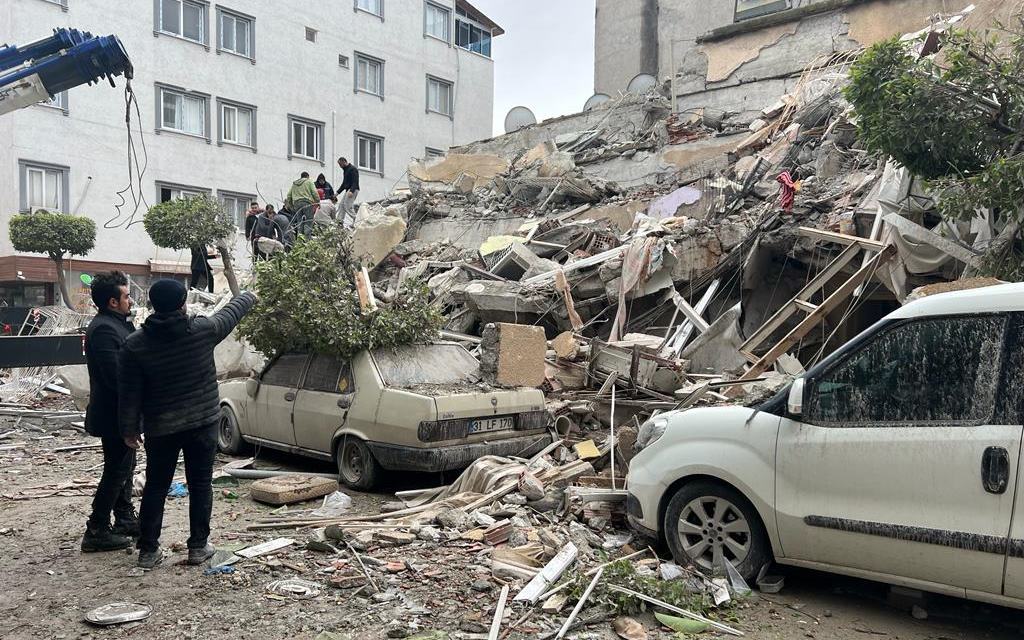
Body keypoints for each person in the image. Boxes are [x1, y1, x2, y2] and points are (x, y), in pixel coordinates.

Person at [118, 280, 256, 569]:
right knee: (200, 484)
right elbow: (229, 314)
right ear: (182, 304)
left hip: (161, 427)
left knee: (156, 486)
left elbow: (130, 392)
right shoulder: (202, 331)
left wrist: (129, 428)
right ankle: (197, 547)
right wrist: (249, 296)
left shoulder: (135, 344)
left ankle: (148, 551)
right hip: (202, 423)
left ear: (154, 305)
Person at [82, 271, 138, 553]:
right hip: (114, 415)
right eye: (126, 296)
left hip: (122, 413)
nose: (130, 300)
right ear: (113, 301)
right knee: (116, 471)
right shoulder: (104, 329)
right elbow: (117, 378)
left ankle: (125, 517)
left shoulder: (117, 324)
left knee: (126, 467)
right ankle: (97, 528)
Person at [285, 171, 320, 236]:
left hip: (297, 204)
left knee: (299, 222)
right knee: (308, 221)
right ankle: (307, 240)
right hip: (307, 202)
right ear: (307, 176)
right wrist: (318, 201)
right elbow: (314, 192)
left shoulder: (294, 184)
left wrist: (291, 205)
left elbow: (289, 195)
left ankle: (300, 239)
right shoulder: (309, 181)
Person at [337, 157, 360, 227]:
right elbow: (344, 184)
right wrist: (337, 193)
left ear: (344, 162)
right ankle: (339, 222)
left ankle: (357, 220)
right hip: (348, 190)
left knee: (347, 205)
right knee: (341, 205)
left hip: (353, 189)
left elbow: (355, 181)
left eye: (340, 164)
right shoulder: (345, 170)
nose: (340, 166)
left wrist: (352, 191)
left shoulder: (353, 169)